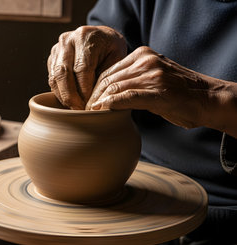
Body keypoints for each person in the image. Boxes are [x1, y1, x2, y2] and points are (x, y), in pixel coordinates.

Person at [47, 1, 237, 244]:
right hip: (133, 186)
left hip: (226, 205)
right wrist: (97, 53)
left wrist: (212, 98)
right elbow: (106, 43)